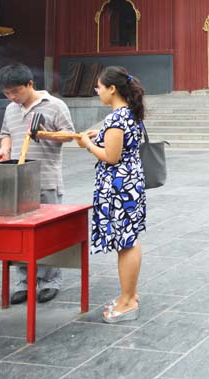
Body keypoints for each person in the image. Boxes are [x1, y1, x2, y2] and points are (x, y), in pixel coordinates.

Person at [0, 63, 74, 305]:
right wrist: (4, 149)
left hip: (47, 177)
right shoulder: (10, 109)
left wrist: (44, 134)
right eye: (7, 93)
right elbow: (5, 133)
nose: (12, 97)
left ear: (30, 84)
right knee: (18, 233)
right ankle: (24, 280)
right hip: (17, 179)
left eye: (16, 91)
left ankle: (50, 280)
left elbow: (69, 134)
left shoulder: (55, 105)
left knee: (48, 232)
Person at [77, 66, 147, 323]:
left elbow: (111, 156)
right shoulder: (129, 114)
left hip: (118, 186)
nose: (98, 91)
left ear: (112, 88)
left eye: (99, 87)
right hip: (130, 183)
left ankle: (127, 301)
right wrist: (102, 136)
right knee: (130, 239)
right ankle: (130, 293)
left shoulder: (116, 118)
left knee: (125, 243)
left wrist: (88, 145)